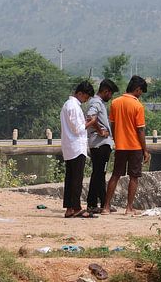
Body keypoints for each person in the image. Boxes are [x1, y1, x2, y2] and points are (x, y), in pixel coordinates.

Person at [103, 75, 150, 215]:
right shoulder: (137, 106)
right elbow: (140, 130)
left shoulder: (115, 103)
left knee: (115, 175)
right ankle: (129, 208)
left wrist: (117, 140)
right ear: (137, 89)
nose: (141, 95)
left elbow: (113, 124)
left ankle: (106, 206)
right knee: (134, 177)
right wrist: (145, 150)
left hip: (120, 146)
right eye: (141, 91)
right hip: (134, 146)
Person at [60, 80, 100, 218]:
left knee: (71, 178)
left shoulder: (68, 105)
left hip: (70, 146)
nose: (86, 100)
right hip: (76, 146)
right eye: (86, 97)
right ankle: (75, 207)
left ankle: (70, 207)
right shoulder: (73, 106)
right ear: (80, 93)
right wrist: (91, 122)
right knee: (76, 178)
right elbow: (78, 128)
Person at [85, 78, 119, 213]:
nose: (110, 97)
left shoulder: (98, 103)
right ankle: (93, 203)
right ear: (105, 91)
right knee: (98, 174)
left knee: (99, 173)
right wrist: (100, 131)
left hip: (100, 143)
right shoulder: (96, 102)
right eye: (110, 94)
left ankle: (103, 203)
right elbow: (90, 116)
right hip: (100, 143)